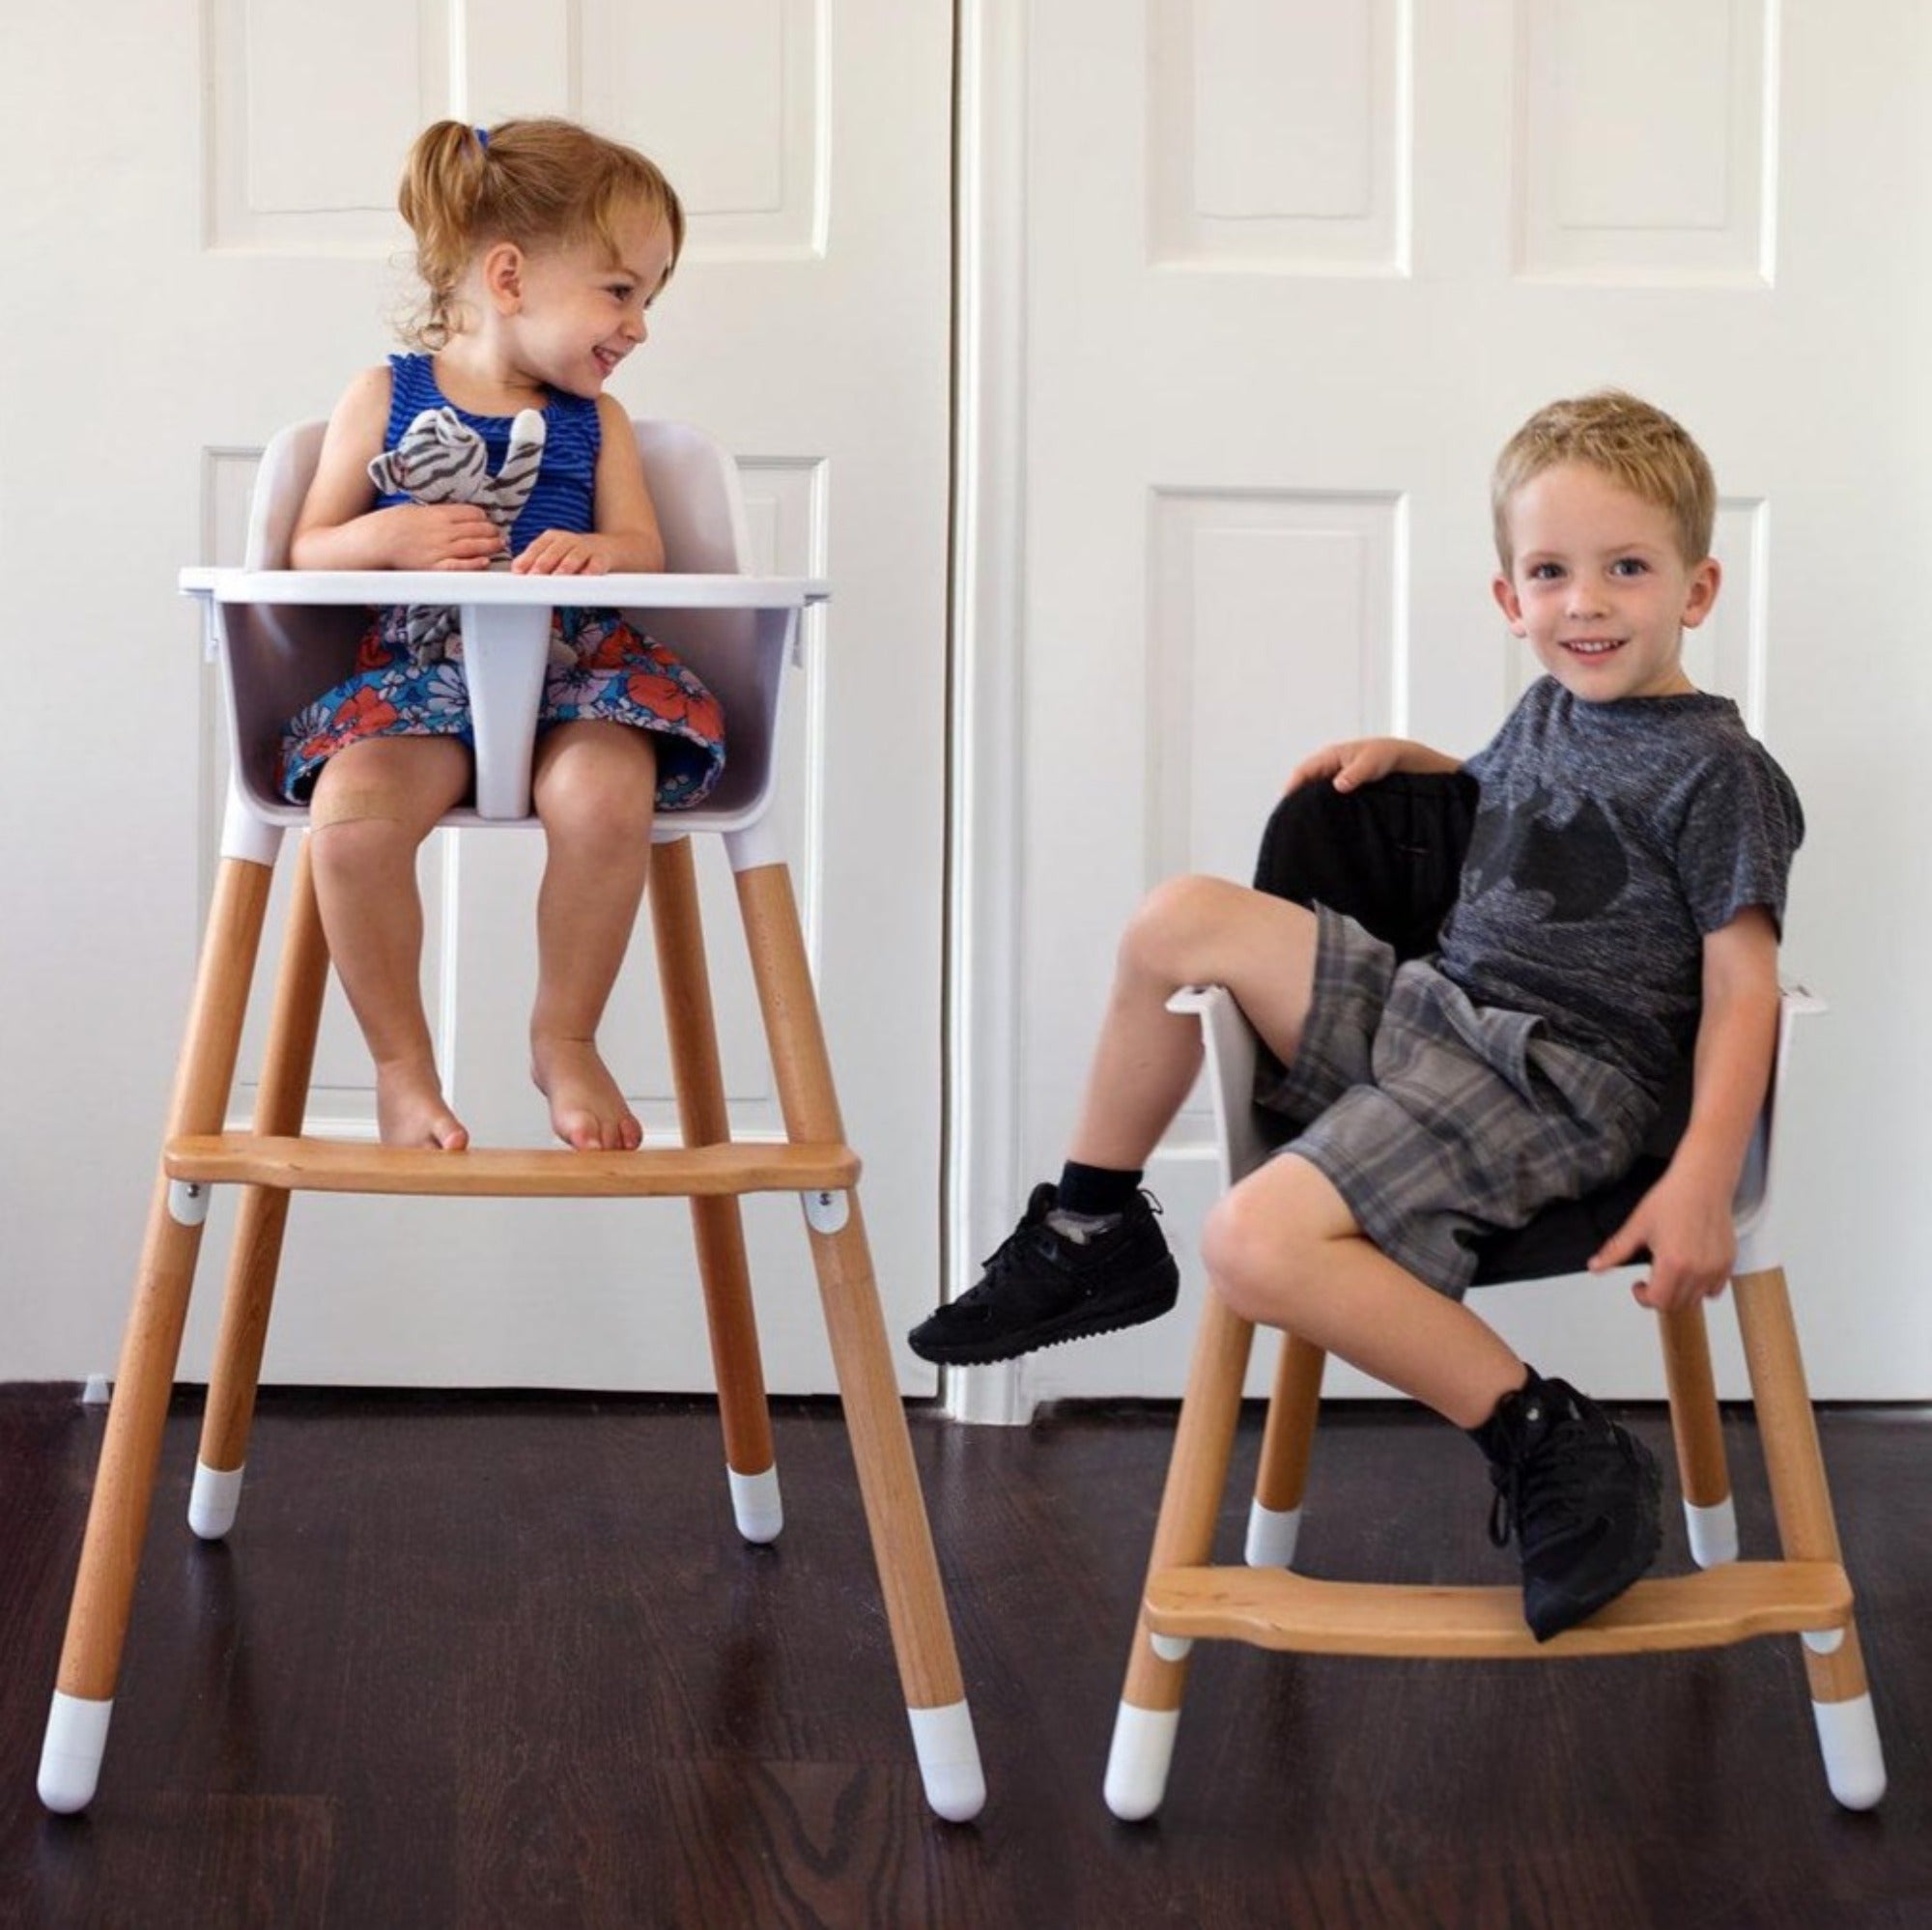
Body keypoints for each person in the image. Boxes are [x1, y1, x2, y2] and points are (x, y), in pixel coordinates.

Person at [910, 390, 1803, 1639]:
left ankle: (1549, 1436)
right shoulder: (1553, 706)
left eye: (1627, 570)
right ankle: (1089, 1225)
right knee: (1178, 913)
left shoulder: (1722, 771)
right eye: (1551, 572)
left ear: (1697, 590)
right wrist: (1424, 759)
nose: (1586, 603)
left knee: (1253, 1242)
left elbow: (1745, 981)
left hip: (1552, 1076)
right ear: (1509, 597)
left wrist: (1707, 1170)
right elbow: (1523, 812)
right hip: (1437, 1006)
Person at [279, 119, 724, 1153]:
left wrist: (597, 552)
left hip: (576, 680)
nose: (639, 327)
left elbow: (641, 544)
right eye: (621, 292)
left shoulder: (597, 422)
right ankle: (400, 1067)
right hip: (420, 678)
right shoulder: (384, 398)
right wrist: (385, 535)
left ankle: (564, 1036)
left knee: (607, 800)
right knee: (349, 825)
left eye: (649, 299)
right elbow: (306, 548)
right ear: (510, 275)